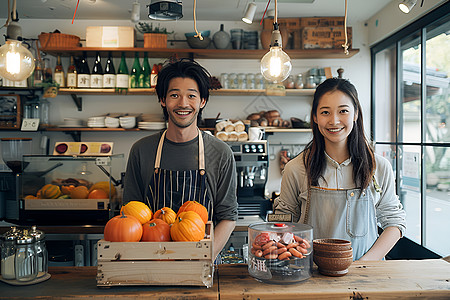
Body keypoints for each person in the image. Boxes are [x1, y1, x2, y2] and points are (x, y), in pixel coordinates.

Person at [274, 78, 406, 261]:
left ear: (355, 114)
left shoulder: (379, 166)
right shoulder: (296, 168)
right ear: (315, 117)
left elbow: (394, 222)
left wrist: (365, 264)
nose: (334, 121)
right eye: (325, 112)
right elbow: (282, 221)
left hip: (367, 277)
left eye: (343, 111)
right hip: (311, 275)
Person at [123, 59, 238, 259]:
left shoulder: (221, 153)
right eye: (174, 95)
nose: (183, 104)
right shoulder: (142, 150)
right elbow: (131, 216)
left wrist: (204, 257)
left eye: (191, 96)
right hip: (150, 261)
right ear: (162, 100)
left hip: (204, 264)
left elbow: (228, 217)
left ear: (202, 101)